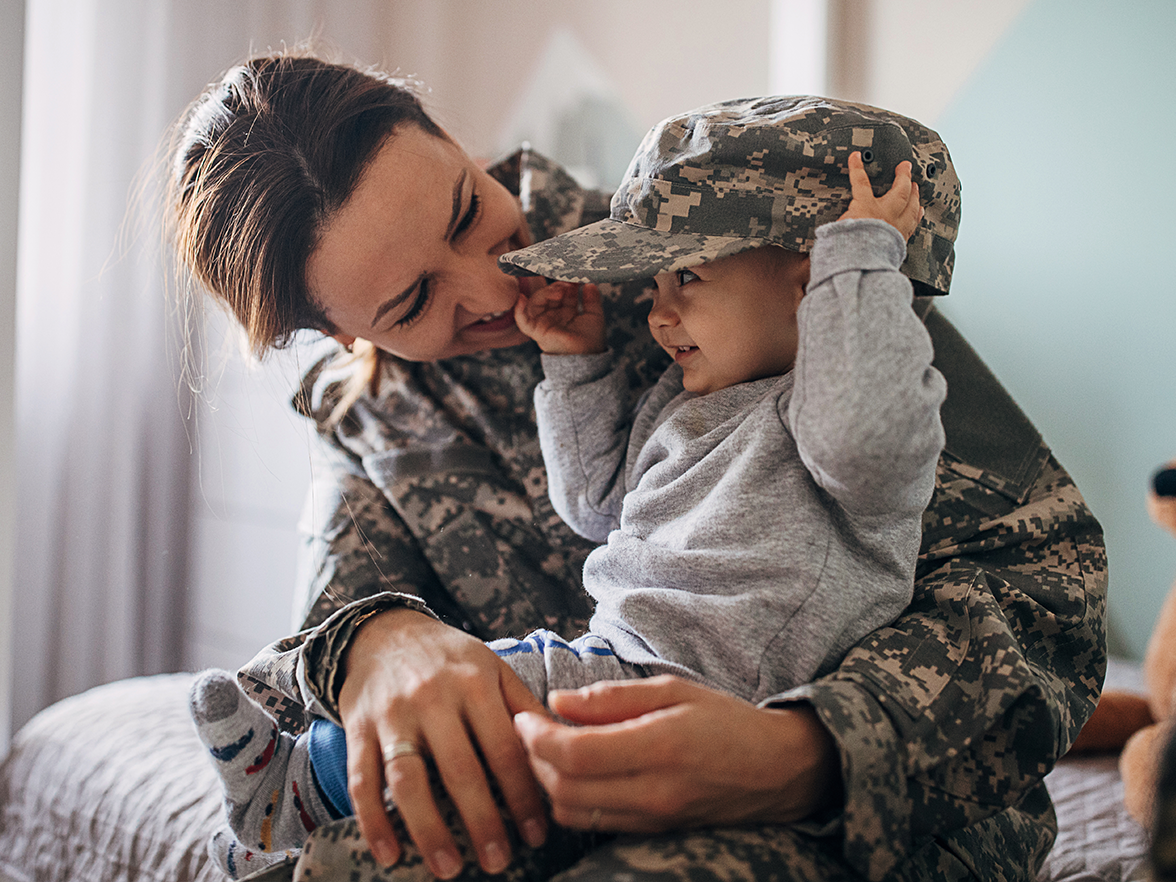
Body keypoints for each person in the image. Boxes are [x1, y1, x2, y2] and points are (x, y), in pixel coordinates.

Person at [170, 51, 1107, 882]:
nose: (494, 284)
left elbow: (1043, 584)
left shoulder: (714, 237)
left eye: (467, 209)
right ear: (339, 332)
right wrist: (375, 644)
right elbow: (308, 656)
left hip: (869, 811)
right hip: (554, 770)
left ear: (450, 136)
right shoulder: (363, 412)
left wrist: (805, 752)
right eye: (414, 300)